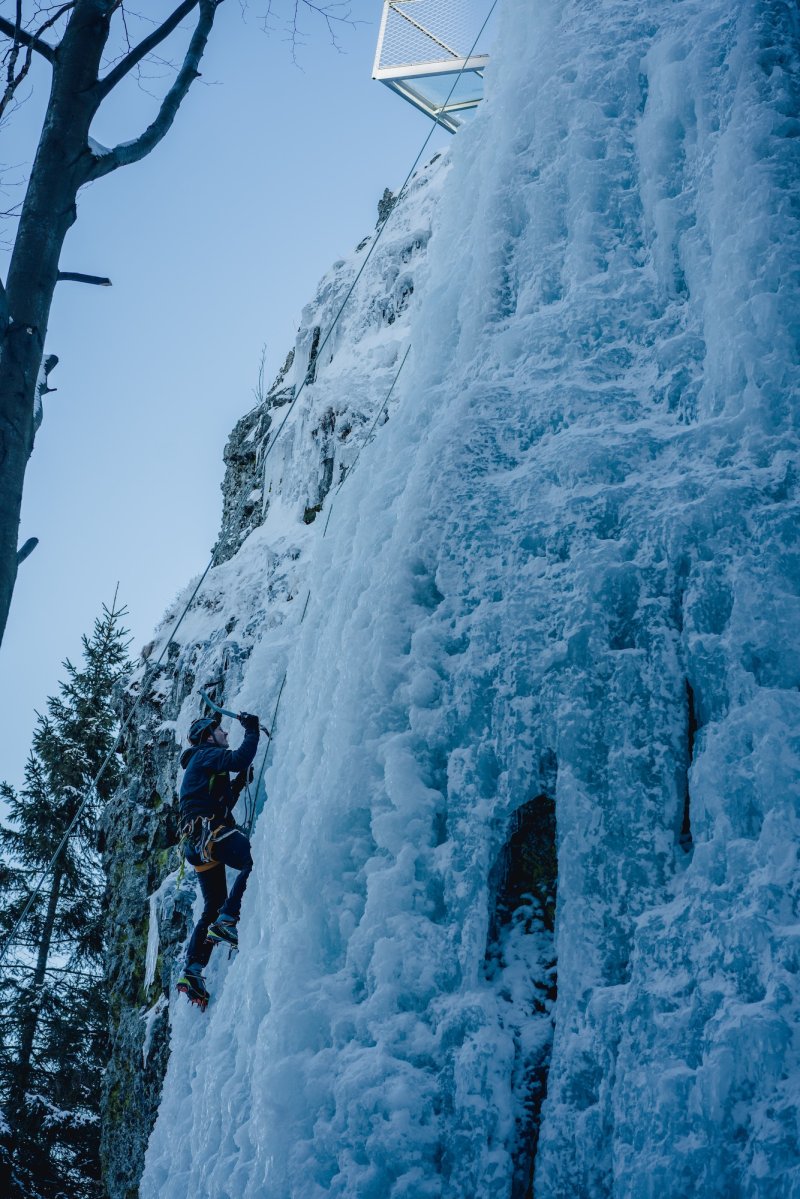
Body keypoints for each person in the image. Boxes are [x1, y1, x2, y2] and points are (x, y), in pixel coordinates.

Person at [176, 710, 260, 1009]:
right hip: (209, 833)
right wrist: (252, 730)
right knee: (255, 858)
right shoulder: (205, 754)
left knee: (212, 905)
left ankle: (192, 971)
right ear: (208, 737)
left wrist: (238, 785)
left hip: (198, 843)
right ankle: (229, 919)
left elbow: (220, 803)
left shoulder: (203, 764)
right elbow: (238, 759)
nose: (225, 733)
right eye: (220, 730)